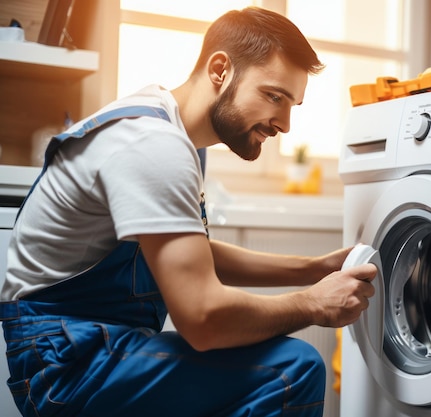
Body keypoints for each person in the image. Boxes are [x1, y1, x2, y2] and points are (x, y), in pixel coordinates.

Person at [0, 7, 377, 417]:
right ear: (221, 70)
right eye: (274, 96)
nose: (285, 124)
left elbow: (192, 254)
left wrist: (313, 268)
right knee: (290, 371)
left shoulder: (178, 138)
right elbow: (202, 320)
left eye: (293, 105)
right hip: (65, 363)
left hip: (90, 346)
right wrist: (313, 304)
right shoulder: (153, 144)